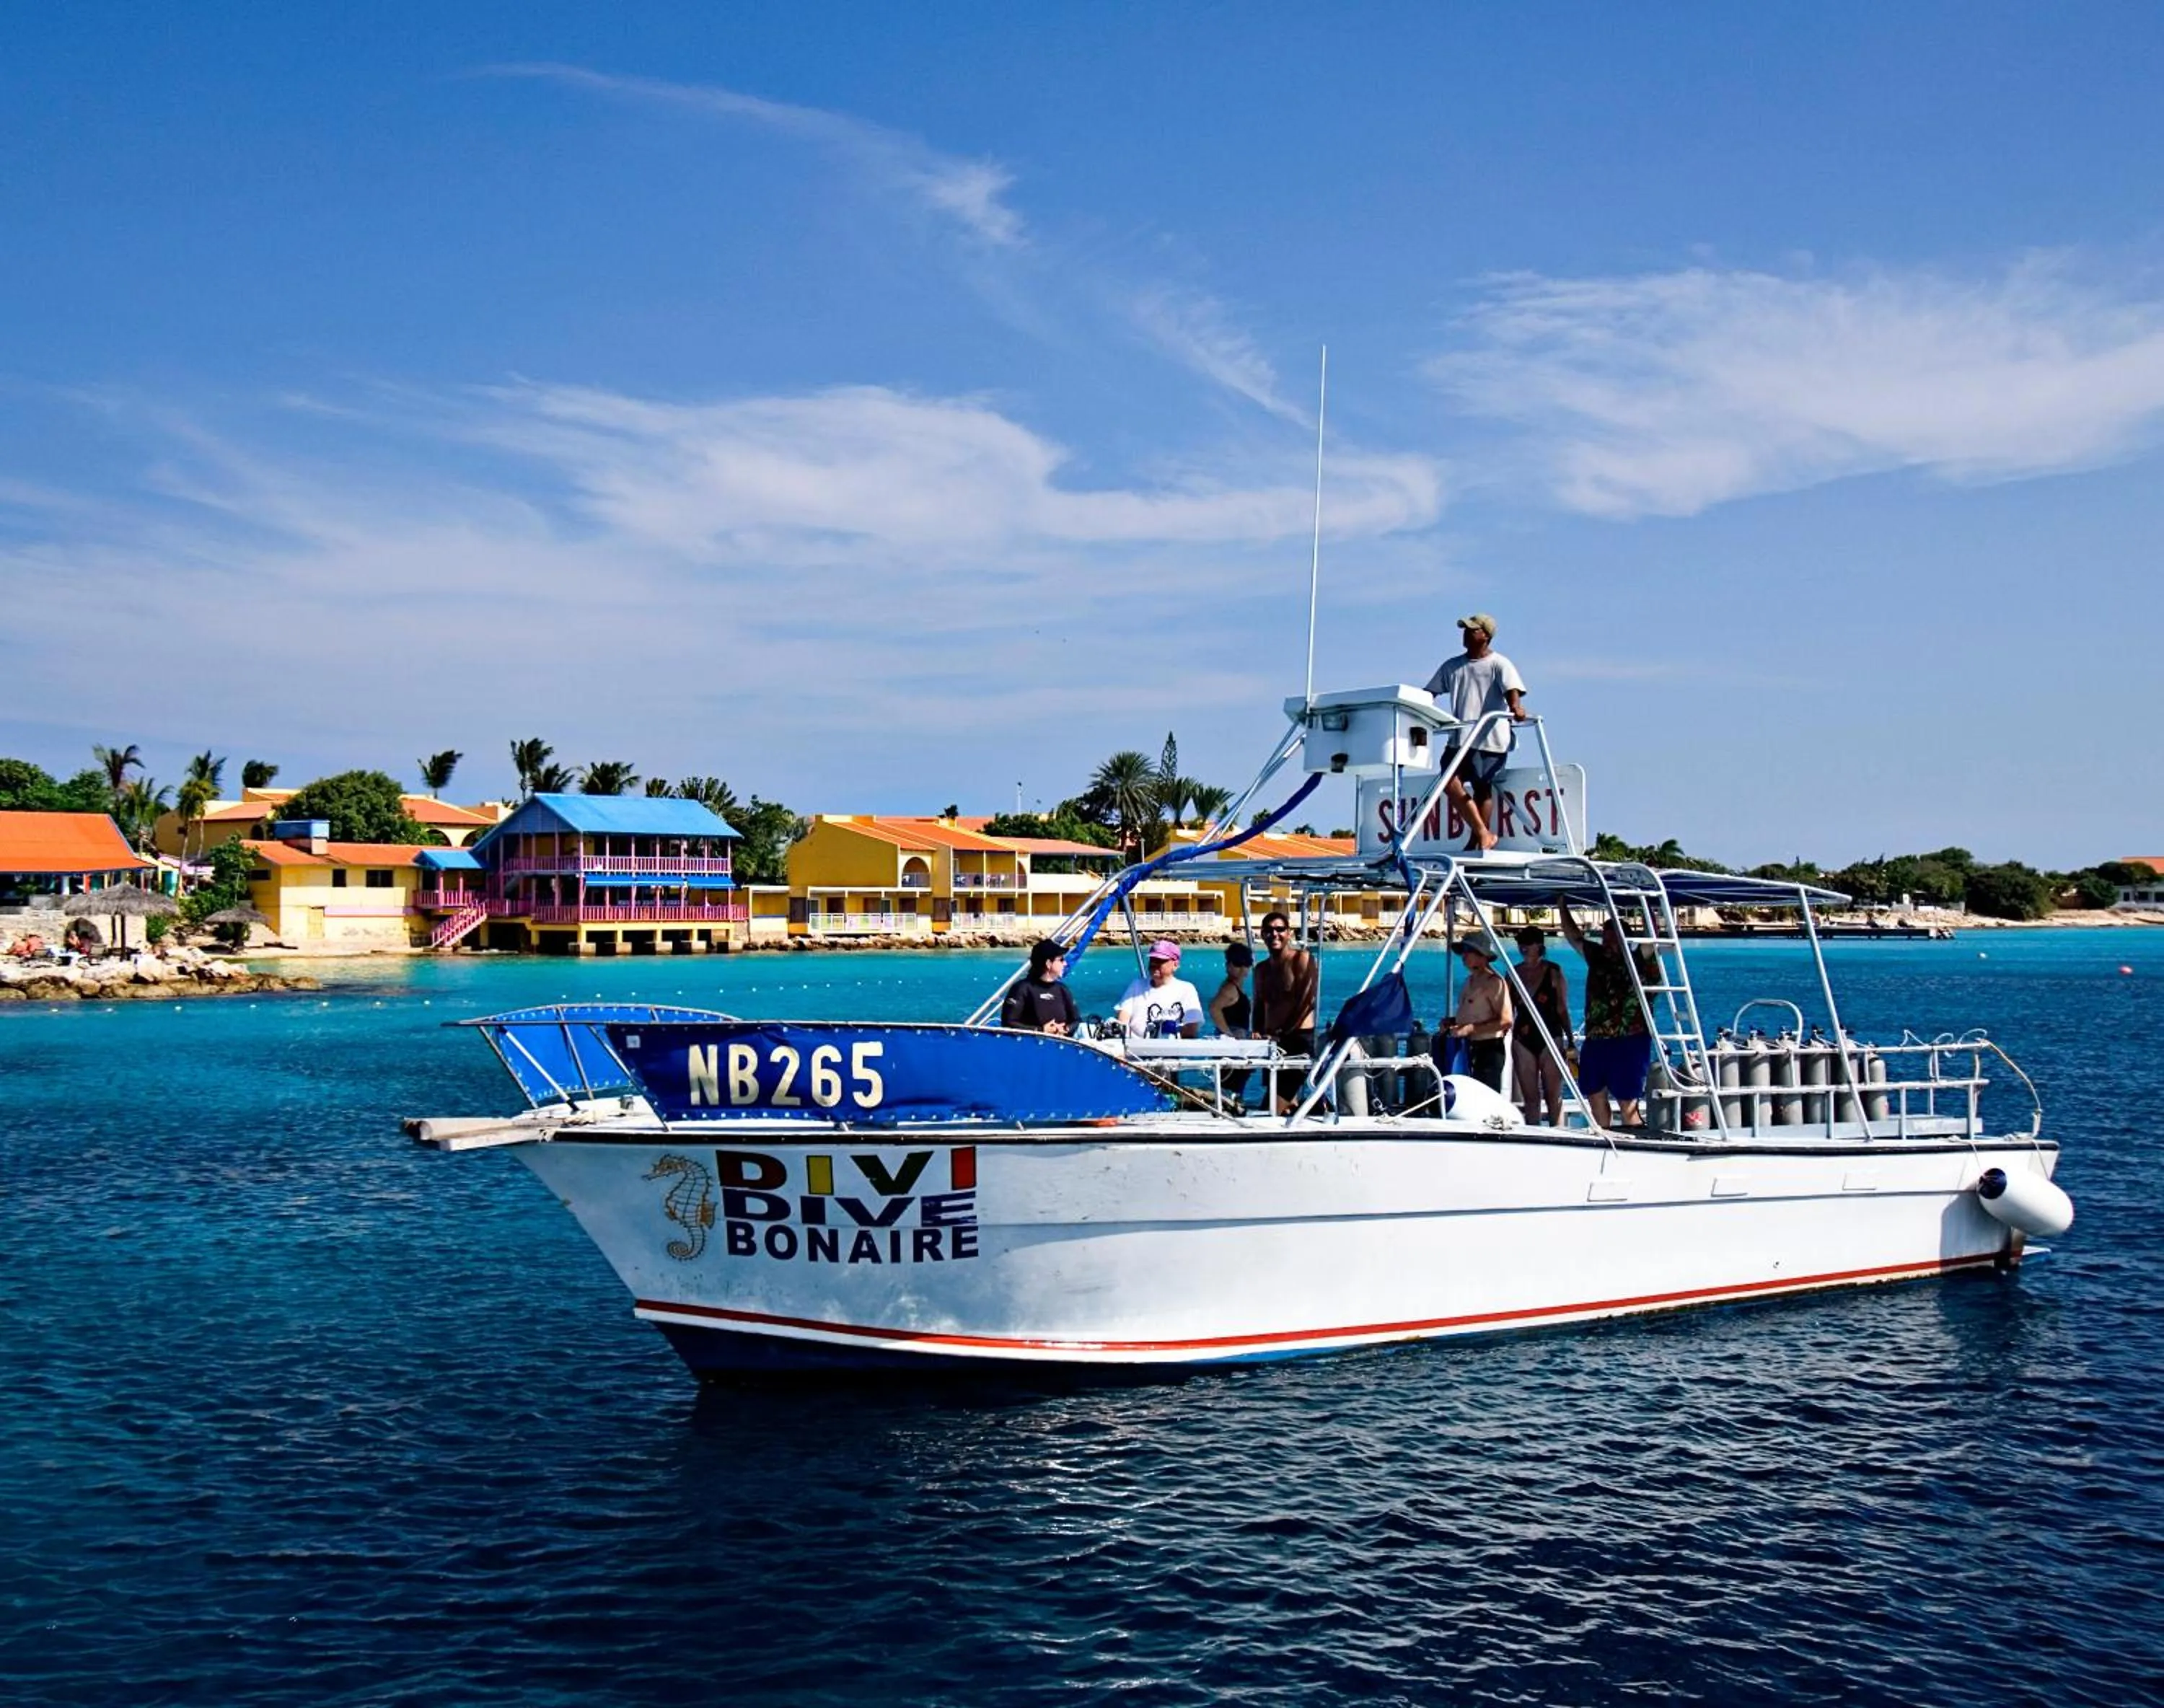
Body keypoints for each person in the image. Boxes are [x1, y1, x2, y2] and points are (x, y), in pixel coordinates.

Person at [1425, 612, 1529, 853]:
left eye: (1472, 630)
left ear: (1486, 636)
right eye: (1465, 630)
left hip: (1490, 738)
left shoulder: (1499, 663)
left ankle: (1477, 841)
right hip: (1460, 738)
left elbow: (1512, 689)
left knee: (1483, 787)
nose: (1466, 634)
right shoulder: (1453, 666)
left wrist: (1516, 708)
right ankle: (1483, 833)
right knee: (1449, 781)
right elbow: (1430, 692)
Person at [1560, 901, 1658, 1128]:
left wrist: (1645, 901)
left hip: (1630, 1038)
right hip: (1597, 1038)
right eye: (1605, 938)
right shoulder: (1598, 957)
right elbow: (1574, 937)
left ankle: (1634, 1143)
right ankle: (1603, 1136)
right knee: (1594, 1093)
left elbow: (1652, 937)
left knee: (1627, 1101)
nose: (1608, 944)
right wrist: (1562, 904)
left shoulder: (1638, 959)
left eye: (1613, 939)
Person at [1252, 910, 1319, 1113]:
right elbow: (1258, 1005)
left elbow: (1308, 1001)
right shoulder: (1261, 969)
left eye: (1280, 929)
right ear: (1262, 934)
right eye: (1269, 930)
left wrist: (1283, 1031)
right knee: (1284, 1102)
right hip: (1272, 1043)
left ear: (1289, 933)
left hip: (1298, 1041)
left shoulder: (1302, 959)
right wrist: (1256, 1030)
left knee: (1273, 1105)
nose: (1275, 934)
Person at [1510, 925, 1572, 1126]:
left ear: (1540, 945)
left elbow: (1562, 1008)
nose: (1524, 947)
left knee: (1553, 1097)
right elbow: (1506, 1008)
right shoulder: (1513, 973)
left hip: (1550, 1035)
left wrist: (1570, 1038)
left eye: (1529, 943)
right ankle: (1533, 1136)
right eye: (1521, 943)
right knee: (1530, 1098)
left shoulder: (1553, 971)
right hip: (1523, 1037)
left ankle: (1559, 1135)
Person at [1446, 936, 1513, 1092]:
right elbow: (1473, 1013)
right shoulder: (1469, 981)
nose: (1464, 956)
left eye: (1469, 951)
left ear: (1482, 955)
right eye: (1463, 951)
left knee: (1485, 1096)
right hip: (1467, 1048)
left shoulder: (1494, 982)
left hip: (1488, 1049)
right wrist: (1451, 1022)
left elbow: (1506, 1020)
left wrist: (1470, 1029)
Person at [1114, 940, 1205, 1039]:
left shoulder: (1186, 989)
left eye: (1160, 961)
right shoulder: (1136, 985)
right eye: (1152, 960)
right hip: (1134, 1049)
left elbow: (1191, 1028)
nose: (1154, 964)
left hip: (1171, 1050)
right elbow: (1123, 1019)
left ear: (1175, 965)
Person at [1208, 941, 1256, 1106]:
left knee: (1237, 1082)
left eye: (1246, 964)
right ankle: (1230, 1108)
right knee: (1232, 1084)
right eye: (1237, 963)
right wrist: (1228, 1034)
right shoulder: (1229, 989)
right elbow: (1214, 1008)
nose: (1242, 968)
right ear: (1228, 965)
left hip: (1238, 1041)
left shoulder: (1236, 987)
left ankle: (1233, 1105)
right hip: (1231, 1046)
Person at [1000, 938, 1079, 1034]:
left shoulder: (1062, 990)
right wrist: (1041, 1030)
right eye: (1061, 960)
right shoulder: (1022, 989)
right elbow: (1008, 1023)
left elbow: (1076, 1020)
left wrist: (1066, 1029)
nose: (1065, 963)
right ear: (1048, 964)